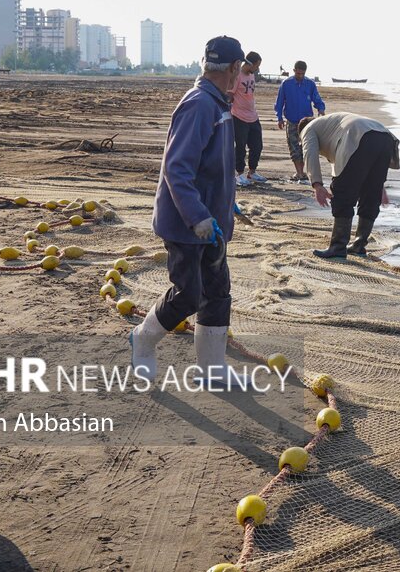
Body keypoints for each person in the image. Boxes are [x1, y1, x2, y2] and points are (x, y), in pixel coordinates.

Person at [131, 36, 243, 387]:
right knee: (188, 295)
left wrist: (227, 202)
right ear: (234, 69)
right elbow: (177, 168)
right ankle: (143, 339)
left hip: (214, 222)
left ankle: (211, 370)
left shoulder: (218, 103)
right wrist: (198, 217)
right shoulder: (199, 105)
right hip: (187, 223)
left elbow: (214, 166)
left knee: (217, 292)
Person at [298, 112, 399, 258]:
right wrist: (378, 185)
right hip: (385, 137)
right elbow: (347, 165)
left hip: (358, 136)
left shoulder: (308, 129)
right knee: (371, 196)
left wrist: (317, 185)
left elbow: (310, 153)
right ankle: (359, 245)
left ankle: (338, 247)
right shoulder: (330, 124)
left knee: (342, 194)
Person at [274, 60, 325, 182]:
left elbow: (316, 98)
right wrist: (279, 118)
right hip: (291, 120)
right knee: (293, 146)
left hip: (307, 122)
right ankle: (299, 172)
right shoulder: (286, 84)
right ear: (294, 71)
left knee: (307, 146)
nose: (300, 76)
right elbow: (280, 102)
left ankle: (307, 172)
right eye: (298, 73)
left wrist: (321, 109)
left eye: (302, 73)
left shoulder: (310, 84)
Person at [232, 51, 266, 187]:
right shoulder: (237, 76)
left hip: (253, 116)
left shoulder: (252, 75)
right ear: (250, 63)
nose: (257, 68)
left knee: (257, 145)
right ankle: (239, 174)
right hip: (239, 116)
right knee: (240, 146)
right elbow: (230, 94)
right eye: (257, 65)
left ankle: (252, 172)